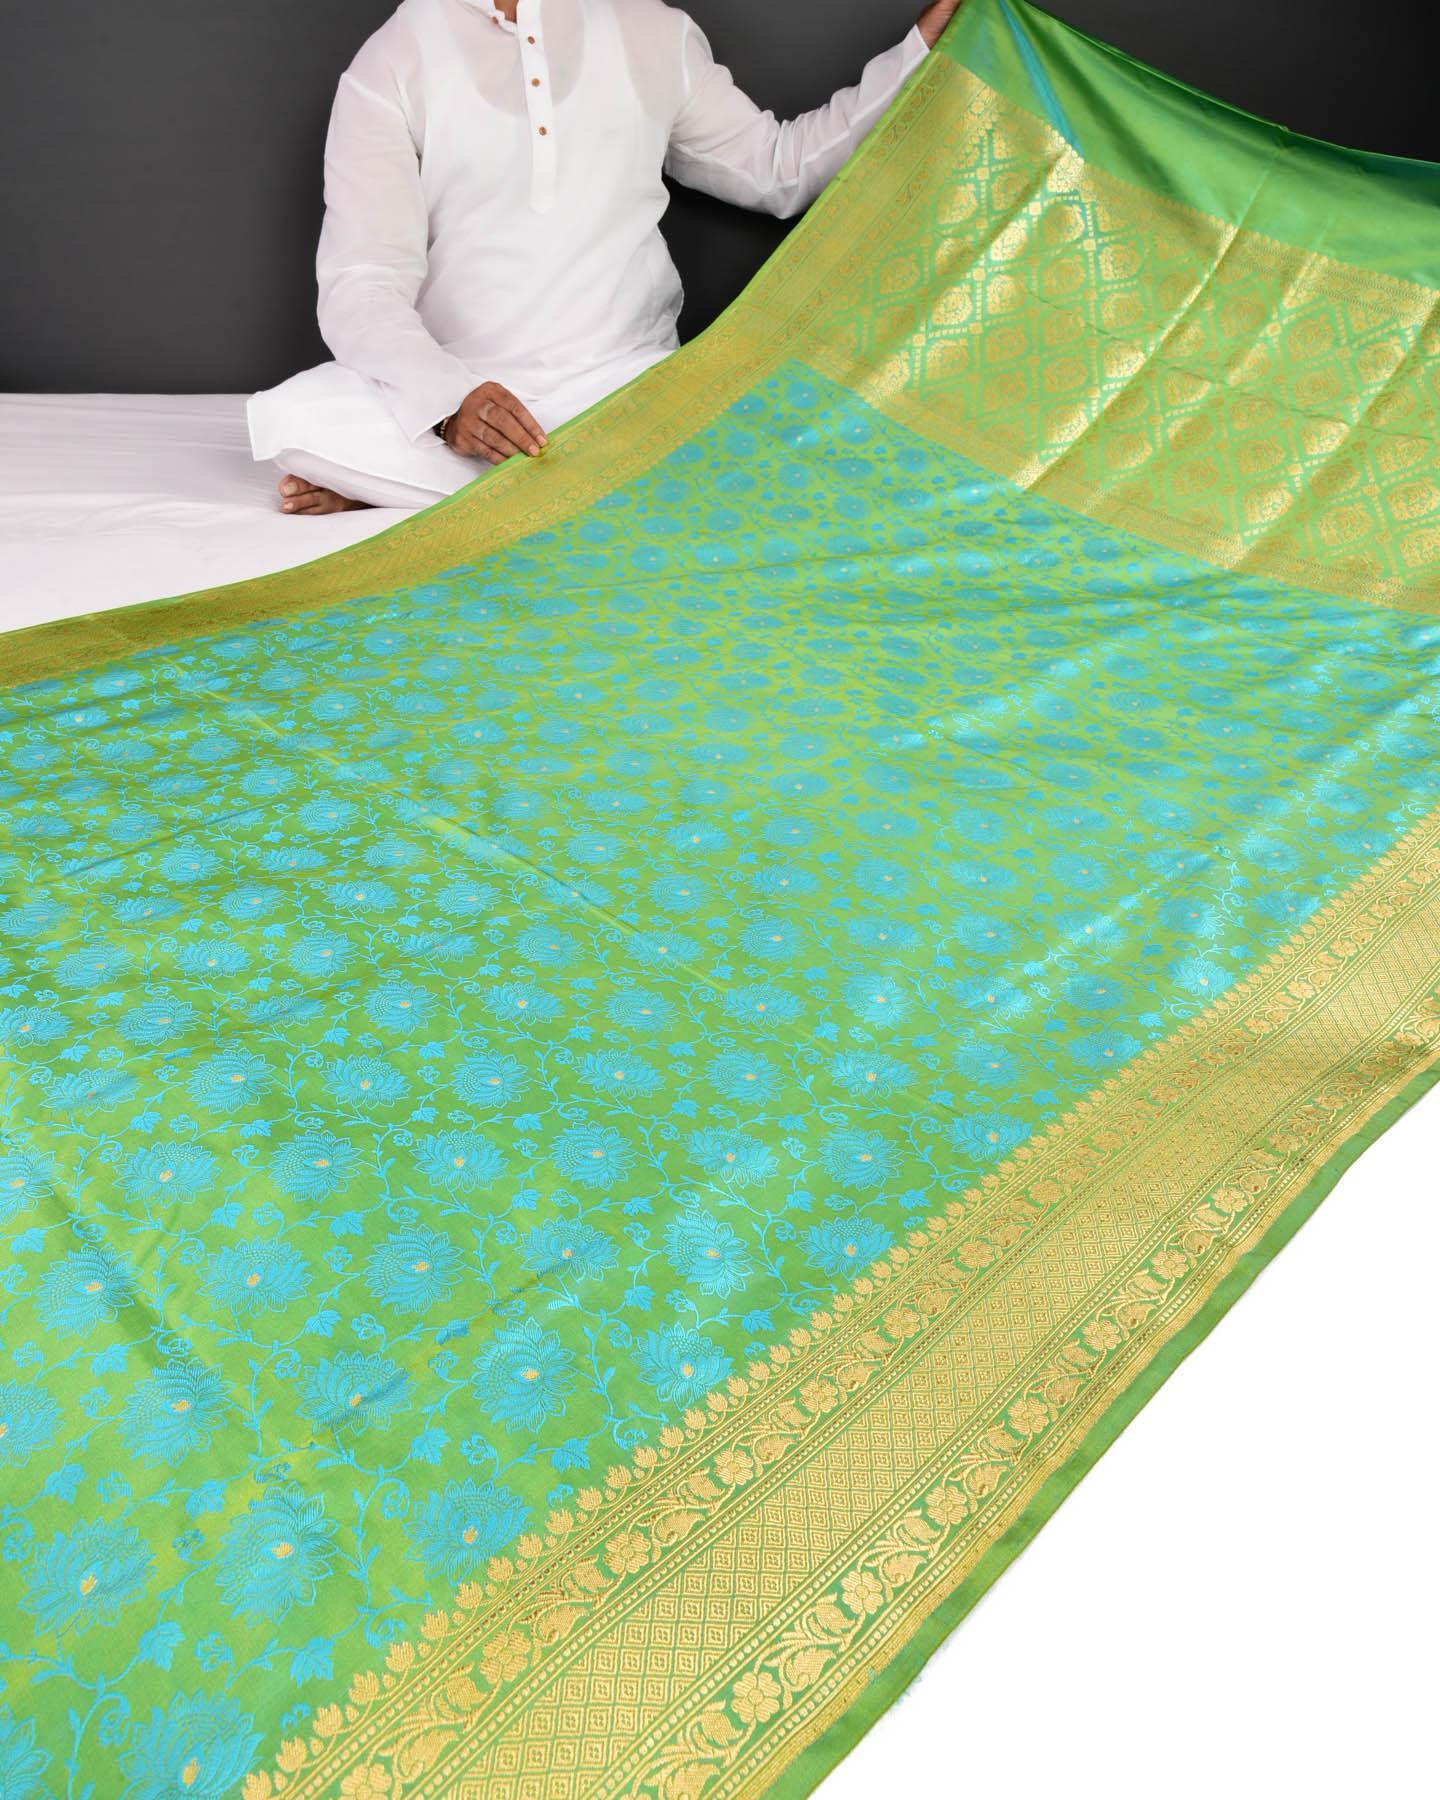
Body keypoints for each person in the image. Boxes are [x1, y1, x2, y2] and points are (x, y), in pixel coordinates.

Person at [248, 0, 964, 514]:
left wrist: (917, 52)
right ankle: (507, 484)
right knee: (300, 420)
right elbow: (362, 281)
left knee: (746, 426)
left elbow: (779, 171)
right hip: (468, 402)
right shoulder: (394, 58)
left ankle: (411, 490)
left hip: (627, 386)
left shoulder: (648, 27)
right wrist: (446, 407)